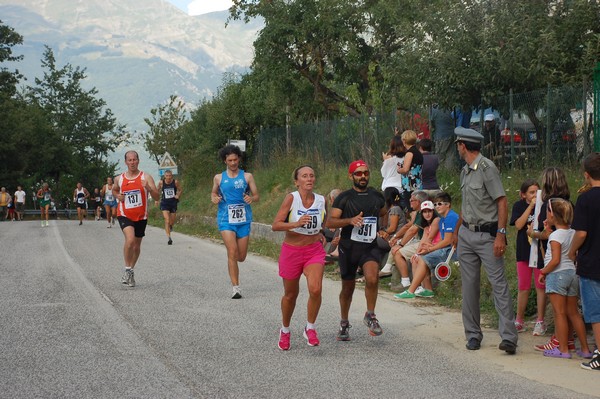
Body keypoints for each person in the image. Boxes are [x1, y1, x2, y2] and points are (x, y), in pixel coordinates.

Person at [454, 126, 517, 355]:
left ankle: (509, 337)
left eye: (458, 145)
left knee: (498, 284)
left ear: (463, 145)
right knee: (469, 287)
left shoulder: (487, 168)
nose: (458, 148)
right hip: (467, 234)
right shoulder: (465, 171)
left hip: (487, 236)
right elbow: (466, 204)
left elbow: (502, 201)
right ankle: (472, 334)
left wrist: (501, 234)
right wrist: (456, 231)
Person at [325, 160, 387, 340]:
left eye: (365, 173)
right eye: (358, 173)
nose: (362, 176)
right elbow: (330, 222)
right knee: (348, 288)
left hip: (369, 246)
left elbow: (383, 213)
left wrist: (382, 229)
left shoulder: (377, 196)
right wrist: (349, 221)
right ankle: (344, 323)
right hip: (348, 248)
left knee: (372, 278)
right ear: (350, 176)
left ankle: (370, 314)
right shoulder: (344, 197)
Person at [272, 165, 326, 350]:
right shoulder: (291, 199)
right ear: (297, 181)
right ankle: (285, 330)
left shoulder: (321, 200)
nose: (309, 178)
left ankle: (310, 327)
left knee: (316, 289)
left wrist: (325, 232)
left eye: (312, 175)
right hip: (292, 251)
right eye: (304, 176)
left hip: (314, 251)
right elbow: (276, 225)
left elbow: (325, 222)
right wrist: (295, 223)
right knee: (290, 295)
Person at [537, 198, 592, 360]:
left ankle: (562, 349)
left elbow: (555, 260)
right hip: (572, 274)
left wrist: (543, 271)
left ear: (552, 215)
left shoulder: (555, 236)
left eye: (547, 211)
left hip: (557, 275)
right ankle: (585, 349)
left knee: (559, 313)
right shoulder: (572, 232)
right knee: (574, 313)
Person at [211, 144, 259, 299]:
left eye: (235, 160)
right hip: (226, 219)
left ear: (239, 159)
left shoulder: (247, 176)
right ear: (225, 161)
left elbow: (257, 196)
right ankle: (236, 288)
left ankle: (235, 268)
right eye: (230, 160)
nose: (233, 163)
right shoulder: (218, 178)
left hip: (244, 220)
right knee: (232, 252)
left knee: (241, 256)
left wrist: (251, 198)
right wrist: (214, 198)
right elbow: (213, 193)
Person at [527, 167, 571, 337]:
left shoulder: (549, 205)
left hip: (553, 259)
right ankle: (568, 339)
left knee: (558, 308)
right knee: (569, 307)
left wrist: (532, 233)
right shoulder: (568, 203)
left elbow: (546, 234)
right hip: (569, 260)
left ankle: (559, 341)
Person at [569, 152, 600, 370]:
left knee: (595, 312)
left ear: (586, 174)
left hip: (591, 262)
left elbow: (580, 233)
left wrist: (572, 252)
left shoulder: (585, 199)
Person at [395, 192, 458, 299]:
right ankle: (427, 290)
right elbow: (439, 240)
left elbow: (448, 241)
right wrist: (425, 249)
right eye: (436, 204)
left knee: (422, 259)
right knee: (418, 257)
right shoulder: (443, 218)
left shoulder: (450, 217)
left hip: (454, 250)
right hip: (446, 248)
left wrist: (430, 248)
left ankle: (411, 291)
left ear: (448, 205)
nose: (437, 206)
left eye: (440, 204)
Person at [112, 150, 159, 288]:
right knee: (130, 239)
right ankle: (127, 269)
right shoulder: (119, 178)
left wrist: (149, 188)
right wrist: (117, 196)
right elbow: (114, 190)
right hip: (124, 213)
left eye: (134, 159)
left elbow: (157, 197)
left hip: (141, 216)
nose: (132, 162)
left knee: (137, 246)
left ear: (138, 161)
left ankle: (131, 270)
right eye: (129, 160)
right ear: (126, 162)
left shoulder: (146, 177)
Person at [509, 179, 546, 334]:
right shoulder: (519, 206)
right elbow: (518, 225)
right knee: (523, 286)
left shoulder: (544, 206)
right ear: (523, 194)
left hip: (540, 251)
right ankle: (519, 319)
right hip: (524, 251)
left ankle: (540, 321)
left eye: (537, 192)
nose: (534, 195)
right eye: (531, 192)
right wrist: (531, 206)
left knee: (540, 287)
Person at [389, 190, 432, 289]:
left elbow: (412, 230)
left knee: (398, 252)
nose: (410, 202)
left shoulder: (424, 211)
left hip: (428, 243)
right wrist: (397, 238)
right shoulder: (419, 212)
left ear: (419, 202)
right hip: (421, 240)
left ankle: (406, 282)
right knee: (396, 249)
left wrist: (400, 244)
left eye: (412, 200)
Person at [378, 187, 407, 278]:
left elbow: (393, 228)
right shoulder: (394, 209)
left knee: (371, 240)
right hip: (391, 237)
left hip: (394, 239)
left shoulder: (395, 209)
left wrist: (383, 232)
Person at [396, 130, 423, 210]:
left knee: (410, 206)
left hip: (410, 185)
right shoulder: (418, 152)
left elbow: (406, 169)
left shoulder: (409, 153)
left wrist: (399, 170)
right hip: (418, 183)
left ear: (404, 141)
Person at [157, 170, 182, 245]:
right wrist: (156, 199)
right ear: (164, 176)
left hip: (173, 203)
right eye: (167, 176)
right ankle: (169, 238)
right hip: (164, 203)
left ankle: (170, 226)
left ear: (172, 176)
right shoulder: (161, 182)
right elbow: (157, 190)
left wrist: (178, 195)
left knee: (172, 221)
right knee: (167, 220)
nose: (168, 177)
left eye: (170, 176)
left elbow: (180, 190)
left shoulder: (175, 182)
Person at [429, 105, 457, 170]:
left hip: (441, 136)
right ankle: (449, 173)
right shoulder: (448, 108)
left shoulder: (433, 110)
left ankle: (440, 173)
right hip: (452, 134)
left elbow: (431, 124)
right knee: (450, 155)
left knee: (439, 157)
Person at [380, 135, 405, 202]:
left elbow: (384, 174)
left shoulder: (389, 159)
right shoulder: (407, 158)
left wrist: (385, 161)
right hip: (402, 187)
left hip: (389, 187)